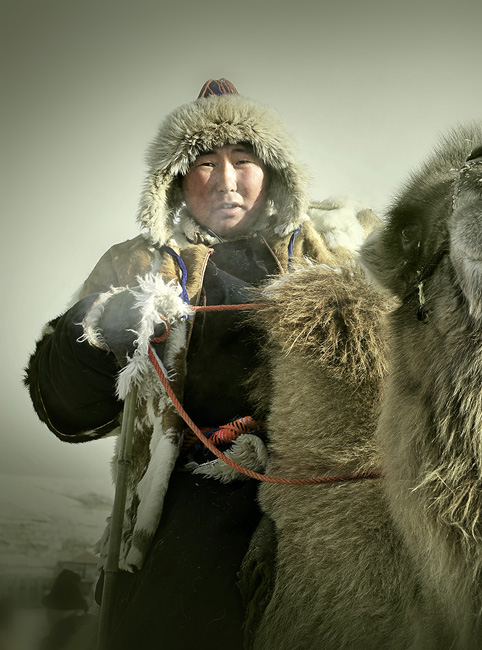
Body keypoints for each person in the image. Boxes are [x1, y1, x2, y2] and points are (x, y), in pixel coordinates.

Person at [24, 79, 379, 649]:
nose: (228, 180)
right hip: (206, 479)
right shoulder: (138, 263)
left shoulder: (334, 256)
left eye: (244, 160)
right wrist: (96, 330)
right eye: (206, 163)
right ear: (176, 180)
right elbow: (67, 412)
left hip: (332, 474)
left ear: (274, 174)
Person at [40, 569, 90, 650]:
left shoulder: (57, 584)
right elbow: (84, 606)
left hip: (53, 614)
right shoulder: (73, 587)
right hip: (68, 616)